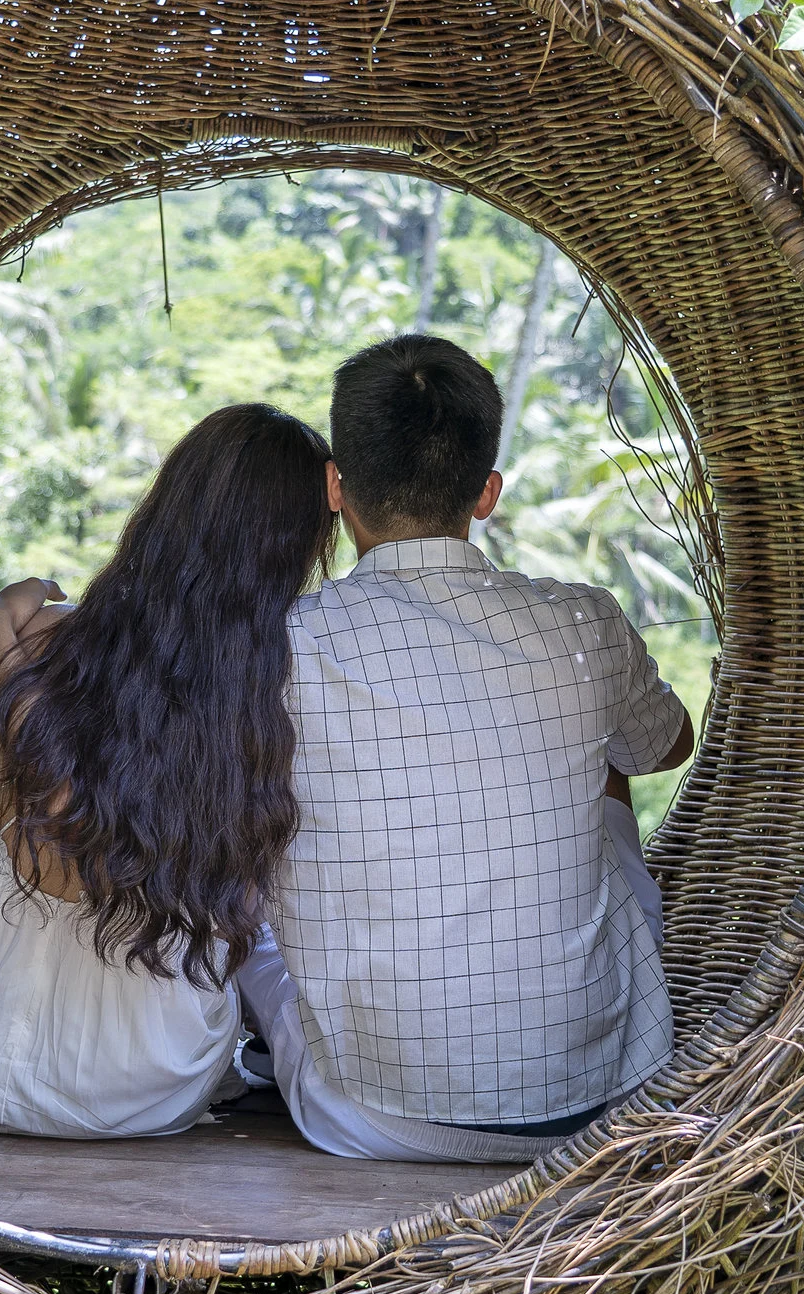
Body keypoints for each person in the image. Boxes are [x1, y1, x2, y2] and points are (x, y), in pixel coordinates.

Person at [237, 334, 695, 1162]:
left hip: (367, 1114)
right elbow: (668, 745)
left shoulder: (277, 645)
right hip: (594, 1099)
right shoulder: (585, 621)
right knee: (603, 774)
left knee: (252, 897)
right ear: (486, 494)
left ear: (336, 487)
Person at [0, 404, 338, 1139]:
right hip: (132, 1078)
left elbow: (42, 844)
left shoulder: (37, 638)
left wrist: (5, 636)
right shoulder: (279, 685)